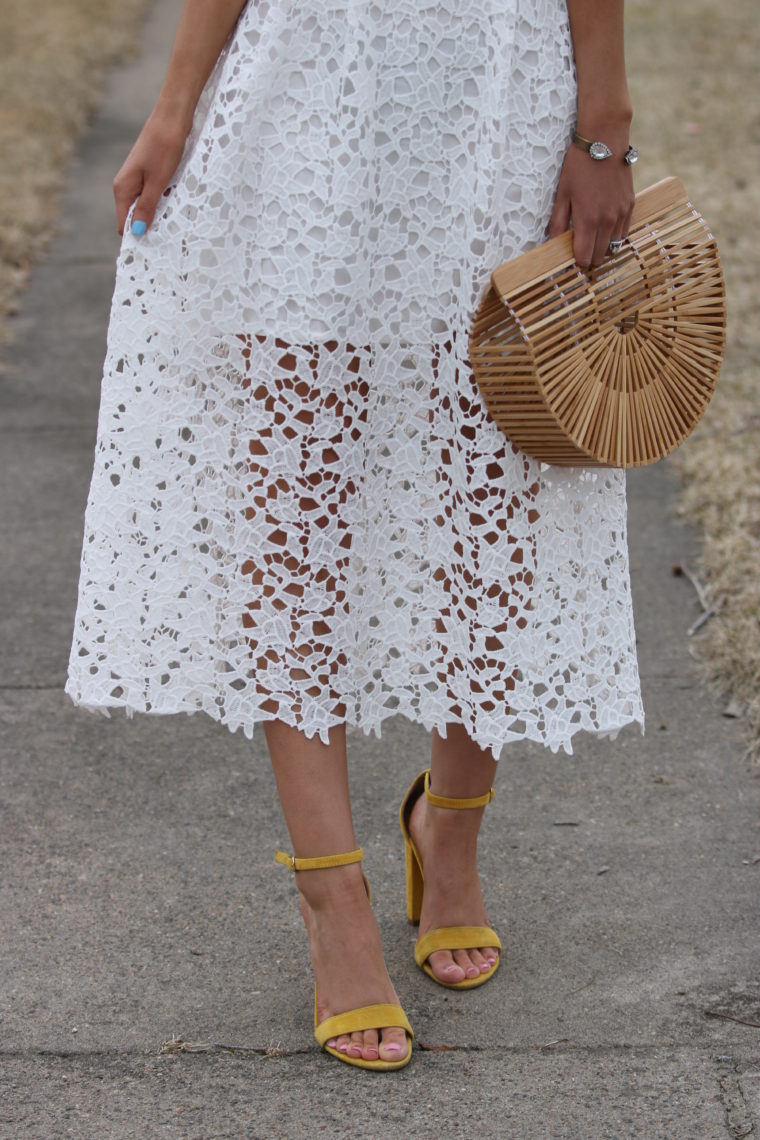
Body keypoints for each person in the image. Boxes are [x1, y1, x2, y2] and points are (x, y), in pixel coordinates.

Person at [66, 0, 643, 1070]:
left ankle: (452, 832)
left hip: (499, 96)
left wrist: (601, 126)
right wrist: (175, 107)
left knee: (488, 484)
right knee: (295, 498)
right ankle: (332, 901)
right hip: (303, 95)